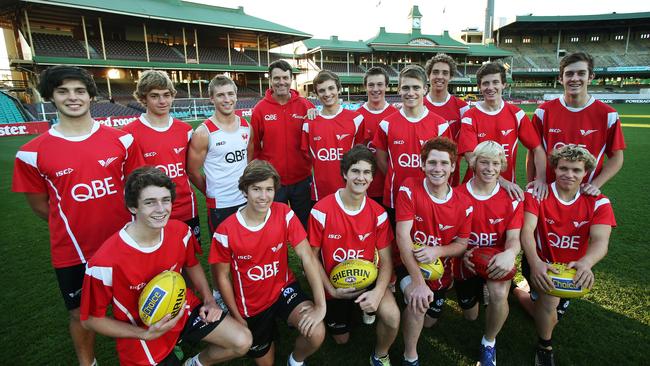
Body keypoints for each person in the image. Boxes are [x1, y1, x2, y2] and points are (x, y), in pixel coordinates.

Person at [12, 65, 144, 366]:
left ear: (90, 95)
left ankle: (148, 354)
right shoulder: (31, 153)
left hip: (125, 242)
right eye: (63, 91)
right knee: (80, 313)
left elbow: (135, 189)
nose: (73, 98)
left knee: (139, 301)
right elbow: (41, 207)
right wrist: (73, 222)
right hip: (72, 250)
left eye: (79, 91)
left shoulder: (122, 140)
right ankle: (88, 363)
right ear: (51, 97)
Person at [80, 167, 252, 366]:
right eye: (150, 202)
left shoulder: (180, 231)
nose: (161, 209)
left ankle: (194, 363)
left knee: (242, 341)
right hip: (143, 331)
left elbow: (192, 264)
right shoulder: (103, 264)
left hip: (181, 307)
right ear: (133, 207)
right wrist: (143, 334)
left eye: (165, 200)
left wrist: (208, 300)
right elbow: (90, 320)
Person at [210, 160, 326, 366]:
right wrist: (236, 315)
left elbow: (307, 257)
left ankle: (296, 361)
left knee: (316, 332)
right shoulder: (226, 231)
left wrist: (320, 305)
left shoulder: (284, 213)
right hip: (251, 305)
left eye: (269, 189)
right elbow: (221, 277)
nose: (264, 196)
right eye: (256, 189)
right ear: (245, 190)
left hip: (283, 289)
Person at [520, 145, 616, 366]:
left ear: (586, 172)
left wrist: (586, 263)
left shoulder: (599, 201)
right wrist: (535, 264)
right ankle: (545, 347)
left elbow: (601, 241)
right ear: (554, 168)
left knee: (549, 314)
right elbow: (526, 231)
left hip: (573, 270)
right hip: (539, 263)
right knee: (549, 305)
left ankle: (520, 292)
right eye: (563, 168)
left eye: (576, 170)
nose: (569, 175)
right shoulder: (536, 193)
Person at [308, 145, 400, 366]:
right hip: (335, 283)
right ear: (344, 174)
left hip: (367, 279)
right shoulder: (321, 210)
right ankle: (355, 310)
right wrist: (331, 290)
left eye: (367, 172)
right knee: (341, 339)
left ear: (372, 177)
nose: (361, 177)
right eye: (356, 171)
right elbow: (310, 258)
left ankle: (380, 354)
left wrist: (378, 292)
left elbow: (386, 260)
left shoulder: (377, 213)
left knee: (392, 316)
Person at [395, 137, 472, 366]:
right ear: (422, 164)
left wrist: (438, 250)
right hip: (406, 263)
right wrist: (418, 282)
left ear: (453, 167)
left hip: (440, 272)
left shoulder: (464, 203)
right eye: (432, 163)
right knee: (418, 303)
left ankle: (411, 298)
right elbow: (402, 236)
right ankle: (411, 356)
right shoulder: (409, 188)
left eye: (443, 163)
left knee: (429, 320)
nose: (437, 169)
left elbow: (463, 243)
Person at [454, 141, 523, 366]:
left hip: (495, 259)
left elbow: (514, 238)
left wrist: (510, 253)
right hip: (466, 260)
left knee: (498, 294)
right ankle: (477, 292)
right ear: (474, 163)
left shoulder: (511, 197)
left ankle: (489, 342)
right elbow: (450, 236)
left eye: (495, 163)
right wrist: (461, 253)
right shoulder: (456, 195)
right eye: (484, 162)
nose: (490, 168)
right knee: (470, 315)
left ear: (502, 165)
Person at [528, 52, 626, 196]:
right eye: (569, 74)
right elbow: (533, 152)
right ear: (561, 78)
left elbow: (617, 157)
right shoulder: (543, 112)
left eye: (581, 73)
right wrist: (536, 181)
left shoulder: (608, 115)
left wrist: (595, 185)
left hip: (584, 194)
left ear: (590, 77)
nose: (575, 78)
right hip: (547, 192)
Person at [123, 70, 200, 241]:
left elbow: (192, 169)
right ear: (143, 98)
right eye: (155, 96)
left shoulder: (186, 130)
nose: (163, 101)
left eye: (167, 95)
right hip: (152, 210)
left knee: (189, 259)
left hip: (186, 207)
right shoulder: (128, 134)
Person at [458, 62, 547, 201]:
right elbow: (471, 158)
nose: (490, 87)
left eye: (495, 82)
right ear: (480, 87)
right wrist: (503, 182)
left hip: (508, 192)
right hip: (475, 190)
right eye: (486, 83)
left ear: (503, 84)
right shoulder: (470, 116)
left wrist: (541, 179)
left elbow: (537, 149)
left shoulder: (517, 114)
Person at [372, 65, 451, 219]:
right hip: (395, 196)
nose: (410, 93)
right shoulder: (386, 124)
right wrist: (396, 175)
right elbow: (381, 160)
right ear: (399, 90)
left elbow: (444, 162)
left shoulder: (440, 124)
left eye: (416, 87)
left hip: (430, 196)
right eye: (406, 88)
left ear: (425, 89)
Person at [251, 60, 315, 228]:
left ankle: (308, 255)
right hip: (272, 182)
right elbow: (255, 147)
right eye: (277, 78)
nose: (281, 82)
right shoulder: (260, 109)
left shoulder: (305, 106)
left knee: (306, 227)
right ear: (270, 80)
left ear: (291, 79)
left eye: (285, 77)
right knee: (273, 229)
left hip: (302, 180)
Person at [187, 75, 252, 234]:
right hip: (221, 204)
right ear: (212, 98)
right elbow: (192, 171)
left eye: (230, 94)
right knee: (222, 253)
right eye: (220, 95)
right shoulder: (203, 132)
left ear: (236, 96)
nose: (226, 99)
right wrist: (211, 193)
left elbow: (249, 161)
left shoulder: (246, 126)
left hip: (246, 200)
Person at [301, 70, 366, 202]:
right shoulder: (309, 123)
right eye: (322, 90)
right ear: (316, 94)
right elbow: (307, 156)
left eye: (331, 88)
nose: (327, 94)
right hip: (321, 192)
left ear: (339, 89)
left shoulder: (357, 119)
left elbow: (361, 153)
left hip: (352, 190)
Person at [423, 53, 470, 186]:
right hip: (421, 170)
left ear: (450, 77)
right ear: (428, 75)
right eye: (436, 72)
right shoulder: (418, 105)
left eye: (445, 73)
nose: (440, 77)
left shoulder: (462, 108)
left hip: (450, 174)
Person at [356, 67, 399, 204]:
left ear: (387, 86)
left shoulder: (397, 115)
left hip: (390, 188)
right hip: (362, 188)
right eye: (371, 85)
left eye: (380, 84)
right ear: (365, 87)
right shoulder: (355, 117)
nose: (375, 89)